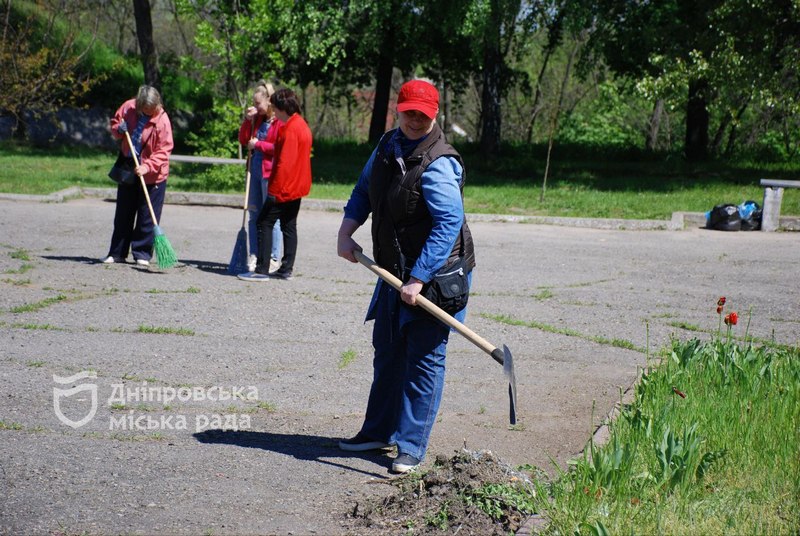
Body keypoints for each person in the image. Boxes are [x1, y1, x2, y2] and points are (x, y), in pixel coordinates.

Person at [336, 79, 476, 473]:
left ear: (434, 115)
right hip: (394, 269)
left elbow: (450, 221)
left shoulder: (440, 161)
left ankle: (411, 446)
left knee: (424, 359)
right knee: (388, 349)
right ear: (398, 108)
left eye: (423, 114)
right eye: (408, 111)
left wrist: (419, 277)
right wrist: (346, 232)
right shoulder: (386, 146)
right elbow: (365, 190)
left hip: (438, 273)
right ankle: (378, 432)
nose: (414, 120)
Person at [238, 88, 312, 282]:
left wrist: (274, 191)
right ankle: (286, 269)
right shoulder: (301, 124)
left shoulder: (289, 128)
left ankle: (262, 270)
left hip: (285, 186)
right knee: (288, 225)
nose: (274, 112)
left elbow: (284, 163)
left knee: (264, 221)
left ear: (282, 108)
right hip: (297, 185)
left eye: (275, 108)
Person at [103, 85, 174, 266]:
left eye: (153, 109)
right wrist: (119, 129)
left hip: (153, 175)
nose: (151, 112)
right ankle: (117, 252)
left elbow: (164, 151)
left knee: (146, 216)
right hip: (128, 167)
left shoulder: (163, 121)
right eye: (146, 110)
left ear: (158, 103)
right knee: (123, 213)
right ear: (139, 104)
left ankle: (142, 253)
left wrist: (147, 166)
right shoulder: (129, 107)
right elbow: (115, 126)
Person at [238, 82, 284, 272]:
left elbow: (278, 148)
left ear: (269, 101)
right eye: (254, 103)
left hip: (269, 173)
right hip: (253, 171)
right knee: (254, 214)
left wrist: (259, 145)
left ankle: (273, 257)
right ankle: (255, 254)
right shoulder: (255, 120)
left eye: (258, 103)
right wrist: (247, 121)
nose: (255, 107)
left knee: (271, 217)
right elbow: (243, 140)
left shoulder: (279, 122)